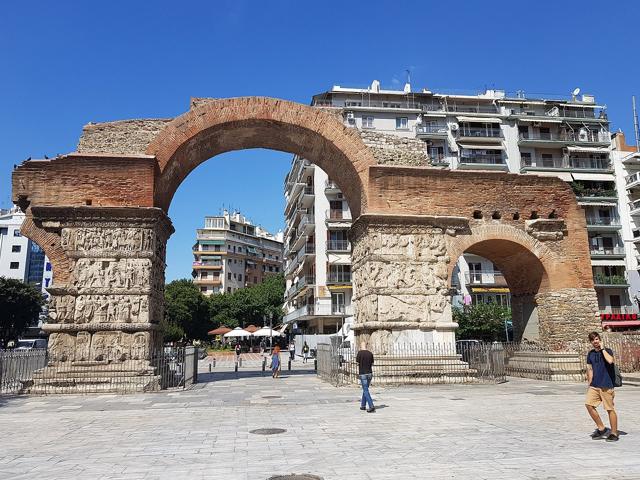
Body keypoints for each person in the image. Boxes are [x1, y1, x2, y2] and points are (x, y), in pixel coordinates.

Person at [585, 331, 618, 442]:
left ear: (600, 340)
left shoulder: (607, 351)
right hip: (595, 385)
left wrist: (603, 349)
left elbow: (610, 361)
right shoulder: (590, 354)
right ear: (590, 342)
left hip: (606, 385)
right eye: (593, 340)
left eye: (597, 339)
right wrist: (589, 384)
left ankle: (614, 433)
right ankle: (602, 428)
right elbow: (590, 369)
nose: (595, 342)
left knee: (609, 409)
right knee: (589, 405)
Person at [356, 341, 375, 413]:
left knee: (366, 390)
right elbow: (372, 363)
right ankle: (363, 405)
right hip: (369, 373)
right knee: (365, 389)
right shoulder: (370, 353)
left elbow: (357, 363)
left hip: (363, 373)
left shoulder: (360, 353)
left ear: (361, 346)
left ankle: (371, 405)